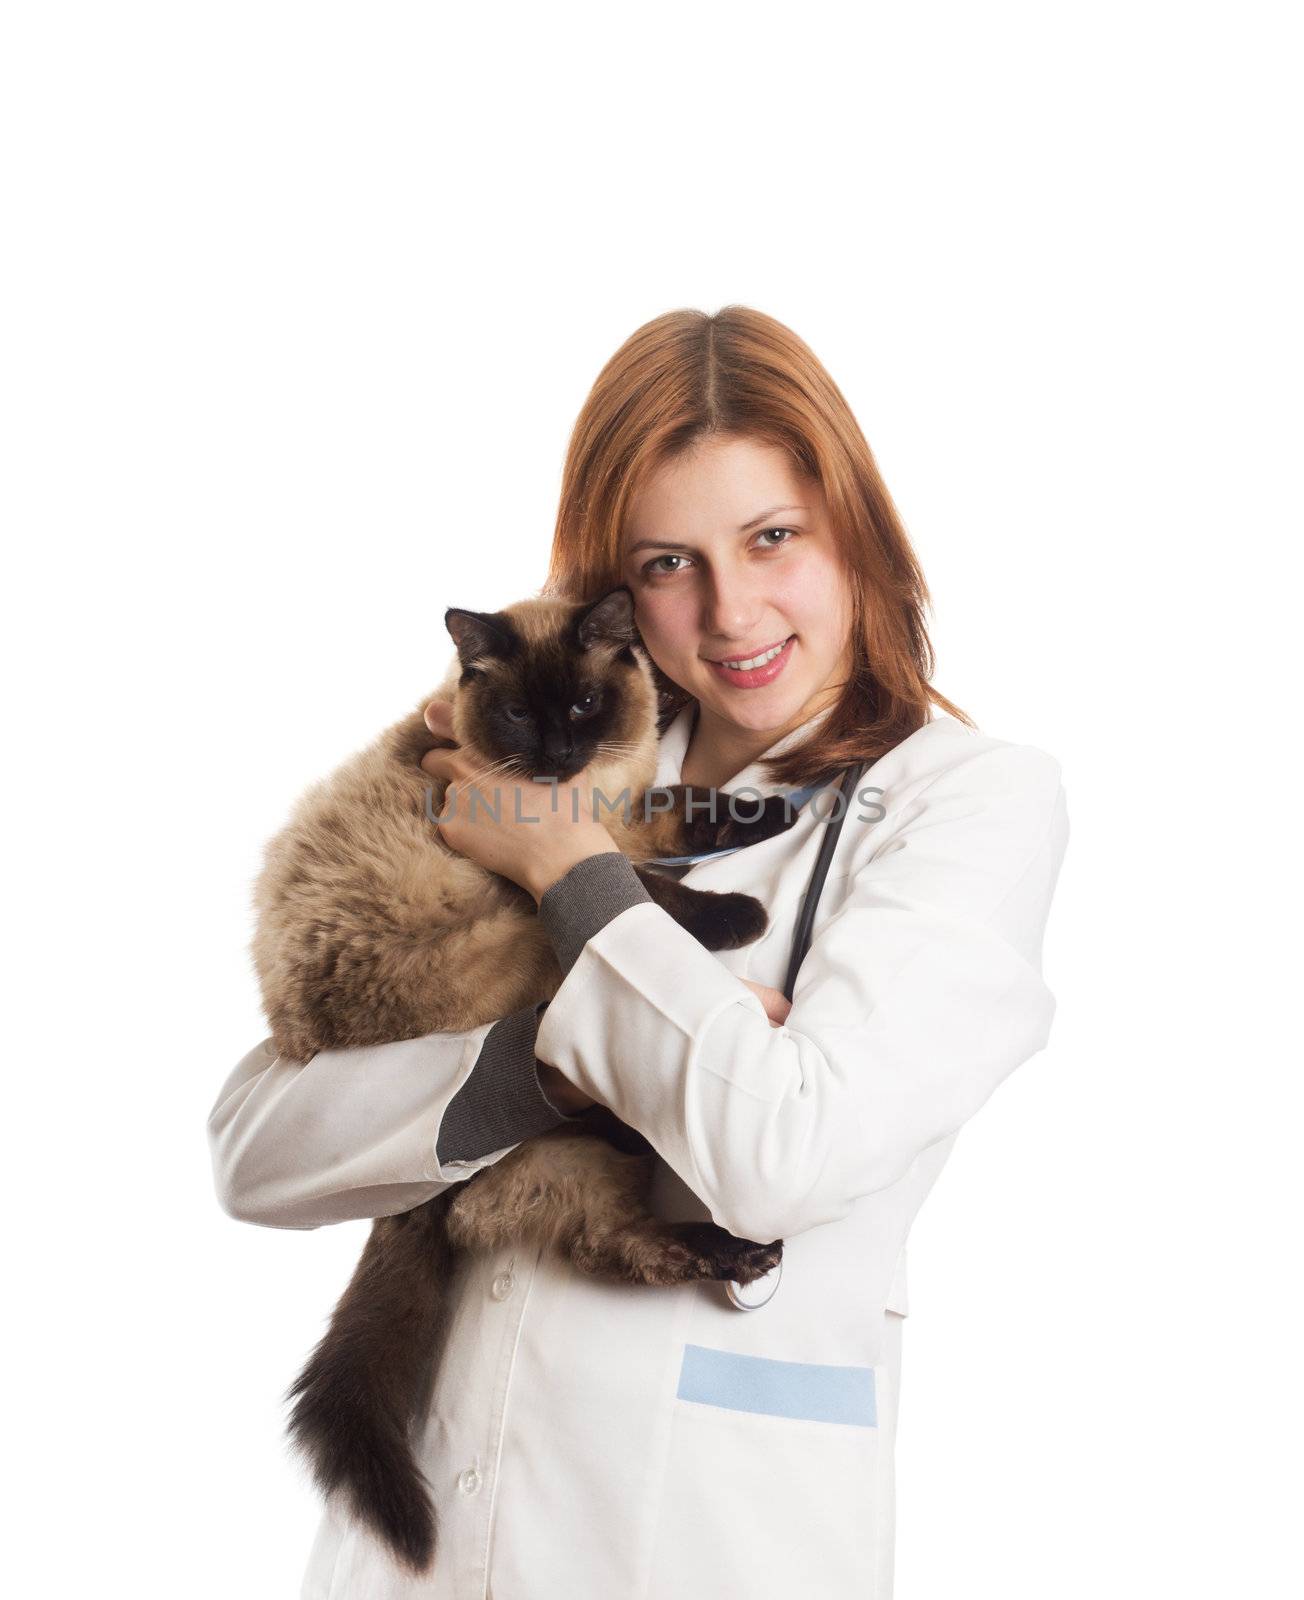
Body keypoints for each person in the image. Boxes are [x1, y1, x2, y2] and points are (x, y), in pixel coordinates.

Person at [208, 305, 1068, 1600]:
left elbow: (780, 1155)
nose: (730, 611)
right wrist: (547, 1073)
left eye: (773, 537)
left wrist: (565, 868)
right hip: (414, 1559)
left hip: (699, 1541)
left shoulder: (969, 800)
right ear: (612, 585)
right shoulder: (521, 758)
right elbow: (258, 1154)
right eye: (670, 562)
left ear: (859, 533)